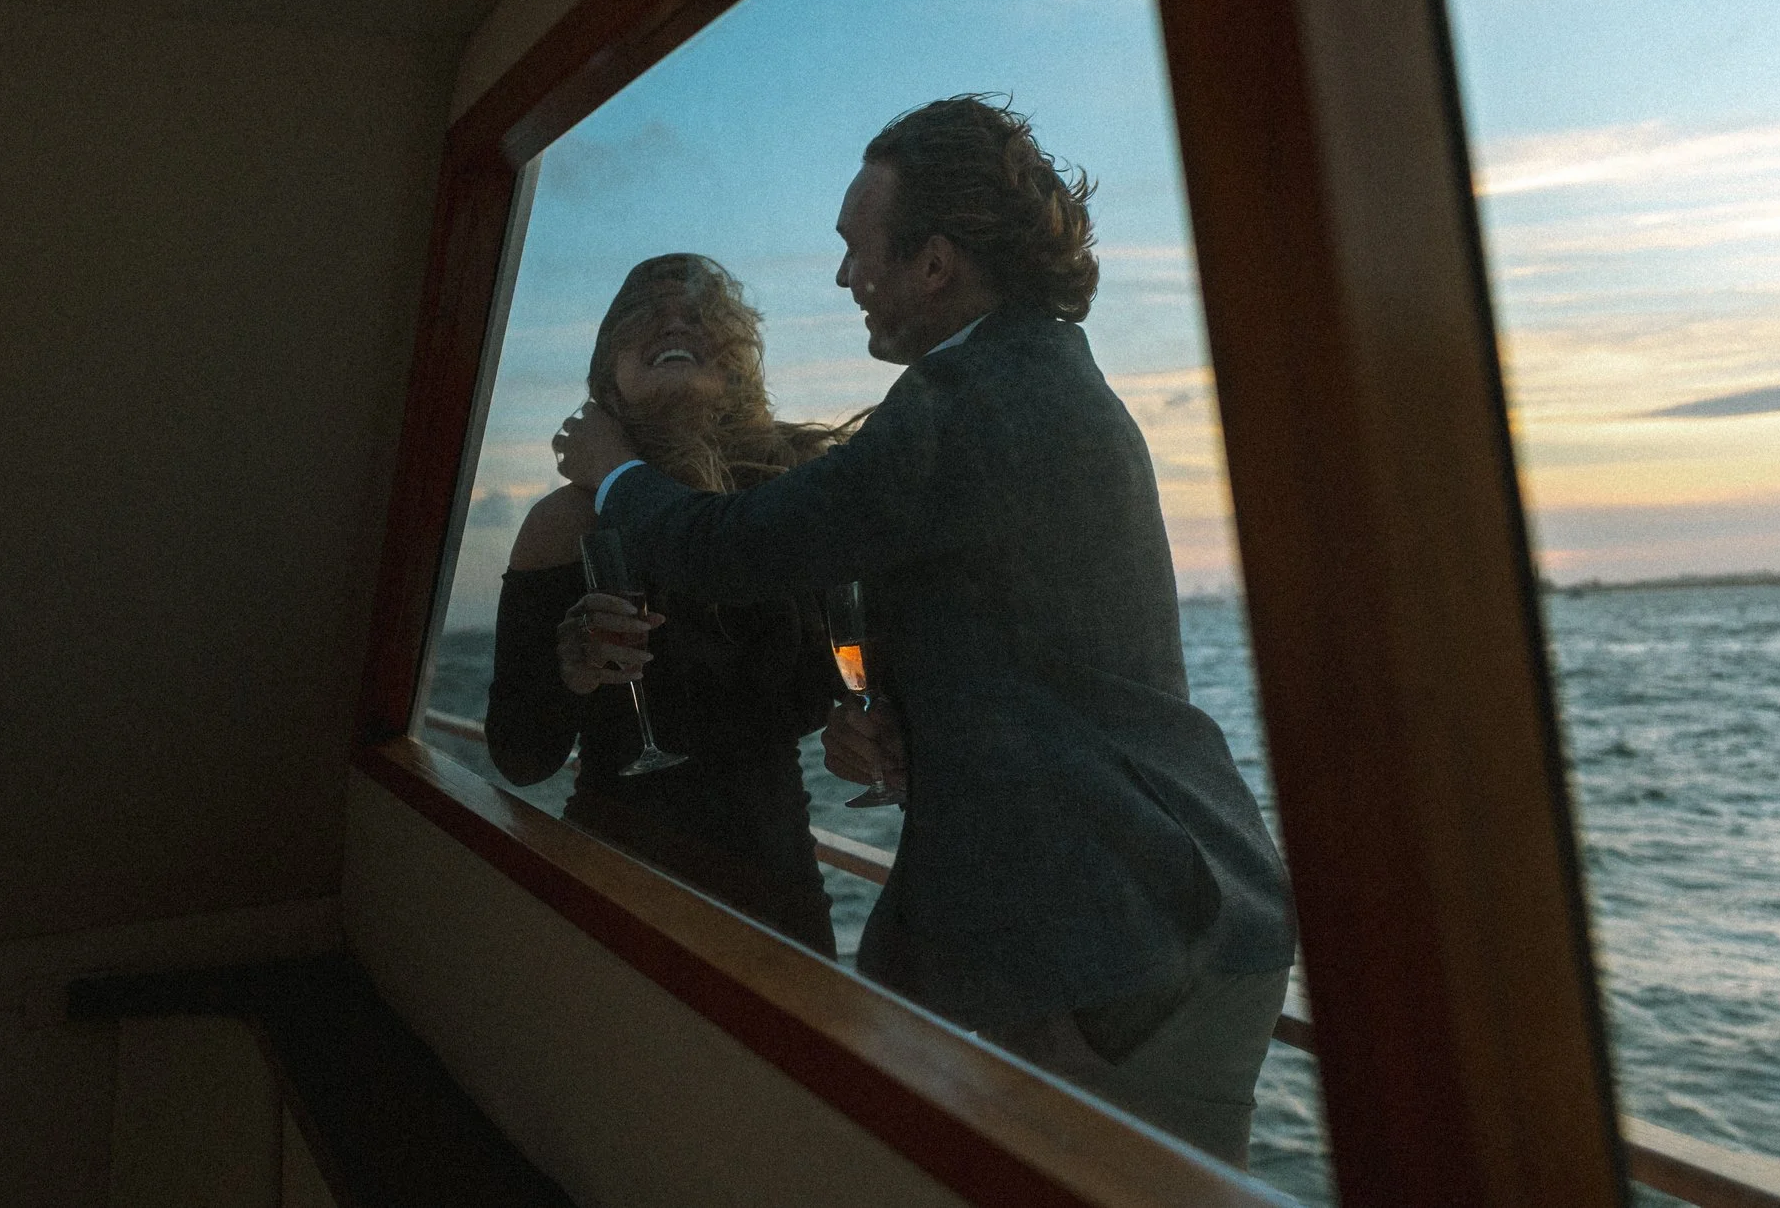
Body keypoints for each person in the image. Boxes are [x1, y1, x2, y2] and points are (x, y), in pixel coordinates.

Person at [553, 97, 1296, 1165]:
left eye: (860, 247)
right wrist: (902, 723)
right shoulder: (1035, 376)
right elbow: (1030, 649)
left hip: (1114, 942)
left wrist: (614, 471)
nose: (845, 275)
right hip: (1165, 913)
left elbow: (741, 546)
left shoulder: (972, 394)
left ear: (935, 263)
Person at [489, 253, 850, 955]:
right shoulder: (566, 524)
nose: (675, 319)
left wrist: (875, 720)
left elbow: (831, 683)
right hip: (612, 883)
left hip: (778, 900)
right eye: (645, 312)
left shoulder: (785, 500)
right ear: (609, 377)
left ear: (738, 363)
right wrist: (571, 671)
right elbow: (520, 757)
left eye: (699, 313)